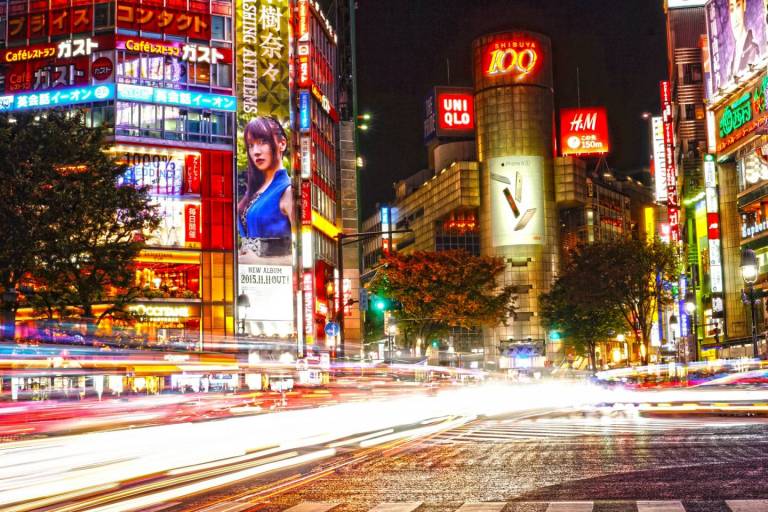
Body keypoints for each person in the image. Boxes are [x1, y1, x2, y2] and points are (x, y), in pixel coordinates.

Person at [237, 116, 293, 260]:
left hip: (277, 276)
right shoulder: (254, 191)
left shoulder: (288, 190)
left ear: (282, 144)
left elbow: (299, 247)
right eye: (250, 145)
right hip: (247, 276)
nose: (256, 151)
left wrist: (258, 256)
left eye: (263, 142)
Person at [727, 0, 761, 79]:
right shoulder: (734, 55)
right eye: (731, 9)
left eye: (738, 6)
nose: (735, 17)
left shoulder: (753, 49)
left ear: (744, 5)